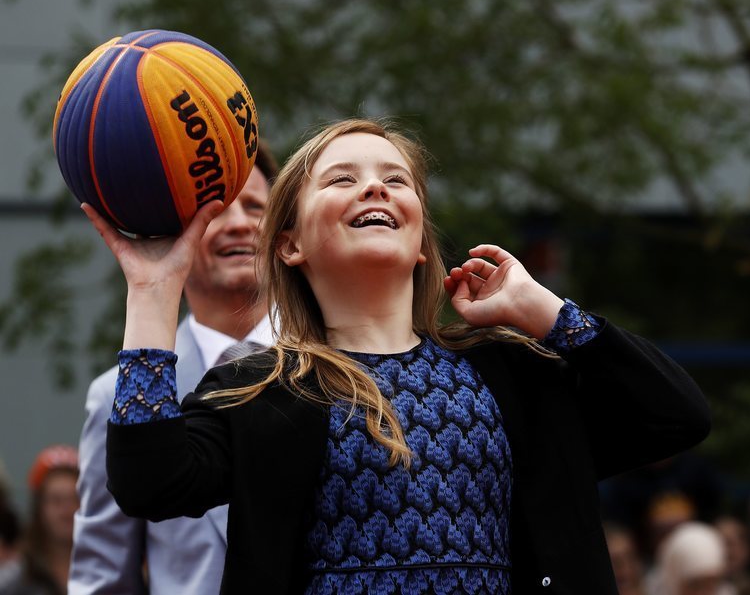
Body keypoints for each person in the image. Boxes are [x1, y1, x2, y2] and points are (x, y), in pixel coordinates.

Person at [85, 118, 711, 594]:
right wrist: (152, 290)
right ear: (289, 245)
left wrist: (546, 313)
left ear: (418, 240)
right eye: (341, 179)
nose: (374, 187)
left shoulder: (510, 372)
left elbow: (675, 416)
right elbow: (149, 483)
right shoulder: (258, 389)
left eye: (396, 179)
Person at [68, 144, 279, 595]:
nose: (239, 223)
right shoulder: (117, 396)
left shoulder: (338, 368)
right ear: (175, 229)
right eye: (217, 211)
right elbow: (103, 580)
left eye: (256, 207)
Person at [2, 446, 80, 595]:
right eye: (56, 500)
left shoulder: (106, 570)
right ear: (40, 508)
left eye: (75, 499)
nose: (67, 510)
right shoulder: (15, 580)